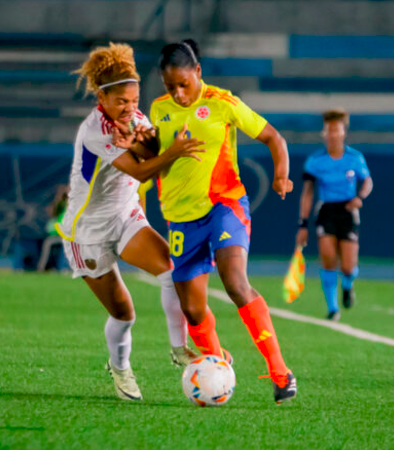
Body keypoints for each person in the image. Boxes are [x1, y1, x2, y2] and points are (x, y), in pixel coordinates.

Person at [113, 39, 298, 404]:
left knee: (234, 281)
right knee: (193, 309)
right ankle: (218, 365)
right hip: (181, 219)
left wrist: (281, 174)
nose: (179, 94)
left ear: (197, 73)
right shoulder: (159, 109)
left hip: (223, 205)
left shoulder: (222, 102)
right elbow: (153, 158)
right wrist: (134, 146)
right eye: (171, 87)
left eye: (184, 84)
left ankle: (280, 373)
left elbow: (273, 137)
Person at [58, 43, 206, 401]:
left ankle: (178, 348)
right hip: (87, 233)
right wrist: (169, 152)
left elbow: (148, 154)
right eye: (121, 101)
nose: (130, 108)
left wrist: (148, 141)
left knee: (172, 271)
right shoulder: (94, 132)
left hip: (124, 215)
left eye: (135, 99)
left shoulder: (136, 120)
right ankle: (121, 368)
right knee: (124, 313)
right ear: (102, 99)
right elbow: (142, 171)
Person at [295, 109, 372, 321]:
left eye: (336, 130)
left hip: (348, 211)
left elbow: (367, 181)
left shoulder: (355, 158)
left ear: (343, 133)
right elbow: (307, 193)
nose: (332, 134)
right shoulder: (315, 161)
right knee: (328, 259)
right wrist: (302, 224)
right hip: (327, 210)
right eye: (328, 130)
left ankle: (347, 286)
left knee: (348, 266)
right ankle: (333, 308)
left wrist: (360, 197)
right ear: (323, 133)